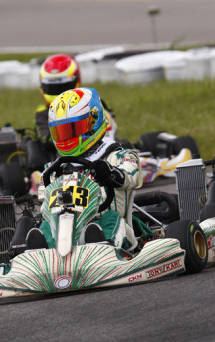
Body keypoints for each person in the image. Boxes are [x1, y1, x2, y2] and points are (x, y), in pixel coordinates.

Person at [26, 87, 142, 251]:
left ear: (93, 122)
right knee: (45, 226)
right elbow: (46, 206)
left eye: (73, 130)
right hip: (65, 233)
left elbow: (131, 175)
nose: (67, 138)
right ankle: (41, 253)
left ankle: (103, 246)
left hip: (110, 228)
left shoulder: (117, 156)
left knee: (109, 219)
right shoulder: (52, 170)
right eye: (62, 132)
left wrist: (112, 173)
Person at [35, 54, 117, 141]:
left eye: (63, 87)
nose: (60, 94)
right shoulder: (43, 113)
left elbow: (108, 127)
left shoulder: (90, 102)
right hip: (65, 150)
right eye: (52, 88)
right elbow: (44, 138)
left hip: (97, 143)